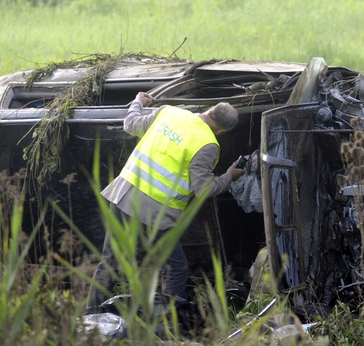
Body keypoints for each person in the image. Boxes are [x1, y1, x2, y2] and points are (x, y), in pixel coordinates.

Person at [86, 92, 245, 312]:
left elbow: (131, 124)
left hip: (123, 196)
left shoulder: (168, 112)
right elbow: (204, 189)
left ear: (209, 109)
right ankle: (170, 323)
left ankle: (90, 318)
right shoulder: (208, 144)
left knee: (112, 262)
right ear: (223, 131)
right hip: (155, 213)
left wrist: (138, 102)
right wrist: (229, 176)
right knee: (175, 267)